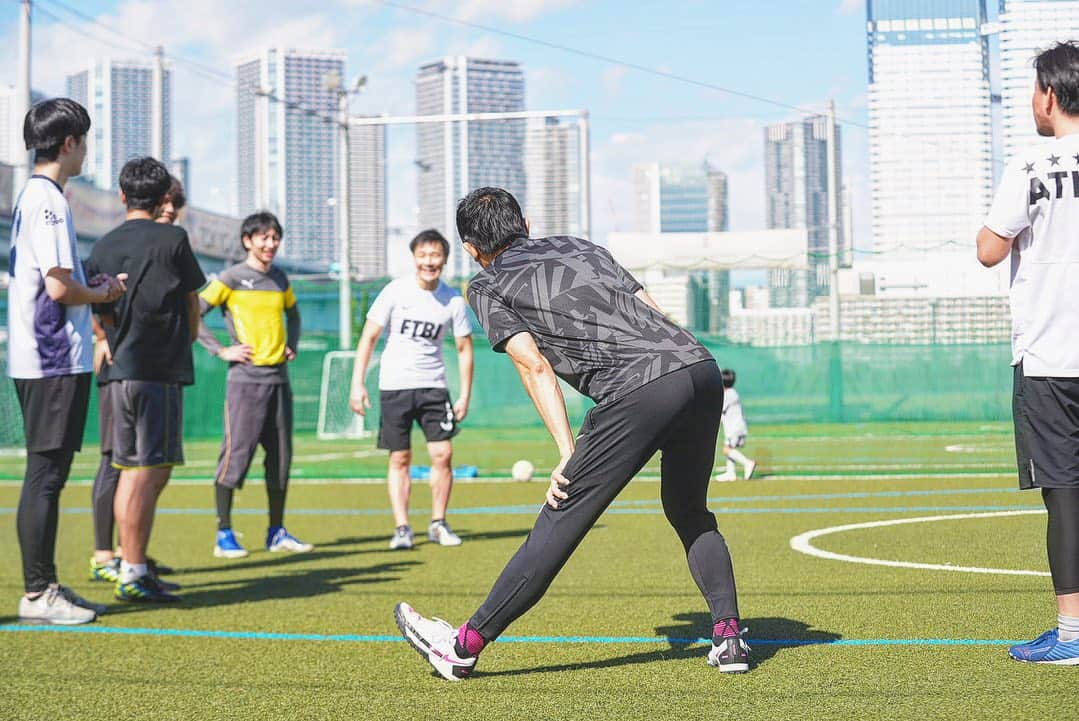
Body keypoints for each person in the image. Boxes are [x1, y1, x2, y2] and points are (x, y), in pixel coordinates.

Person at [393, 187, 749, 679]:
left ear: (472, 249)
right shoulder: (582, 246)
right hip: (698, 366)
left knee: (559, 520)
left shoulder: (487, 284)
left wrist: (566, 451)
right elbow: (653, 310)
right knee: (689, 510)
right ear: (527, 223)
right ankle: (729, 639)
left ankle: (461, 647)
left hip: (638, 387)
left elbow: (533, 366)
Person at [977, 41, 1079, 666]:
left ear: (1048, 94)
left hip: (1050, 356)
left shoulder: (1031, 166)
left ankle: (1072, 635)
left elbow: (990, 249)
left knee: (1065, 495)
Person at [8, 98, 125, 624]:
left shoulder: (36, 195)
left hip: (45, 357)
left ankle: (44, 586)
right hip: (52, 358)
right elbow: (58, 289)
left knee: (47, 474)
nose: (86, 150)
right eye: (85, 139)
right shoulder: (49, 200)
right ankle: (37, 594)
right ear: (70, 142)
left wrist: (91, 287)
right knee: (46, 475)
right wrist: (105, 295)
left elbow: (57, 282)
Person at [88, 157, 206, 603]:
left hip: (120, 373)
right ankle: (133, 571)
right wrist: (187, 340)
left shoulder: (101, 246)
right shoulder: (174, 239)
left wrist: (106, 337)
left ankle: (130, 560)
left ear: (122, 196)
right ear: (162, 200)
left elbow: (97, 307)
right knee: (142, 473)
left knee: (136, 471)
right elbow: (192, 301)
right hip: (155, 372)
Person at [197, 211, 312, 559]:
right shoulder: (230, 278)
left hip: (279, 380)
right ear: (248, 240)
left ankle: (276, 531)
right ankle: (224, 534)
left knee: (280, 461)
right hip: (245, 383)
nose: (270, 243)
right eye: (263, 237)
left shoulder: (280, 278)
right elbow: (194, 314)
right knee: (235, 457)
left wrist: (291, 341)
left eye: (275, 237)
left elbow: (293, 314)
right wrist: (221, 350)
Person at [349, 229, 474, 550]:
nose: (429, 262)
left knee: (443, 454)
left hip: (434, 387)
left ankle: (438, 523)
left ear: (444, 260)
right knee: (400, 458)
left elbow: (464, 350)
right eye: (423, 255)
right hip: (395, 386)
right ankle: (402, 528)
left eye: (435, 256)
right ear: (414, 257)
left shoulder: (454, 300)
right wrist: (357, 382)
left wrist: (464, 395)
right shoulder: (394, 291)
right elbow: (369, 338)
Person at [714, 369, 756, 482]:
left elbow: (718, 408)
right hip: (733, 428)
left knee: (727, 450)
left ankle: (748, 463)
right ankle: (730, 473)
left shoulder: (729, 394)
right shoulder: (731, 393)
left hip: (735, 429)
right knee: (729, 448)